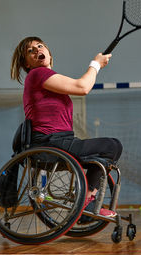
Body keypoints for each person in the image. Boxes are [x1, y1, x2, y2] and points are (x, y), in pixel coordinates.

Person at [10, 36, 122, 219]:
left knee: (103, 155)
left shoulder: (47, 80)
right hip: (51, 143)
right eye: (30, 50)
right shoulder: (38, 74)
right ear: (27, 63)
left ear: (49, 54)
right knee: (113, 146)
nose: (37, 50)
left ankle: (86, 201)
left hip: (60, 141)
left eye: (40, 46)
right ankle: (86, 202)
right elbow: (83, 87)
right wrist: (96, 64)